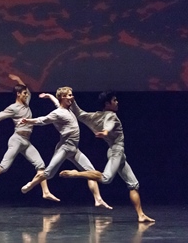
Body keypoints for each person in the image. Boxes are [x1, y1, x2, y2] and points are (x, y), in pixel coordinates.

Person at [59, 91, 155, 222]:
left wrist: (73, 102)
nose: (117, 102)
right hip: (116, 151)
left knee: (133, 184)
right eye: (114, 100)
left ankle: (141, 215)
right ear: (107, 104)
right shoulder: (112, 116)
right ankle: (77, 173)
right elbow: (109, 124)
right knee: (106, 178)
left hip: (117, 152)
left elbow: (80, 114)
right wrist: (105, 131)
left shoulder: (96, 116)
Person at [0, 74, 59, 201]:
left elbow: (25, 88)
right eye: (24, 93)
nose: (27, 95)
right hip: (16, 139)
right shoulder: (13, 108)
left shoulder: (26, 104)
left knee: (41, 166)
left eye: (26, 93)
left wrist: (18, 80)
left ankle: (45, 191)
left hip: (26, 141)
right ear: (18, 94)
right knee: (4, 167)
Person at [19, 87, 111, 209]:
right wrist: (28, 121)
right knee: (49, 173)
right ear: (63, 97)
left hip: (74, 149)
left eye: (71, 95)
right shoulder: (58, 113)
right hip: (64, 147)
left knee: (91, 172)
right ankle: (31, 184)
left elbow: (57, 102)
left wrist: (49, 96)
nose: (71, 97)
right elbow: (43, 120)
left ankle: (98, 199)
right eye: (68, 95)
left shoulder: (67, 109)